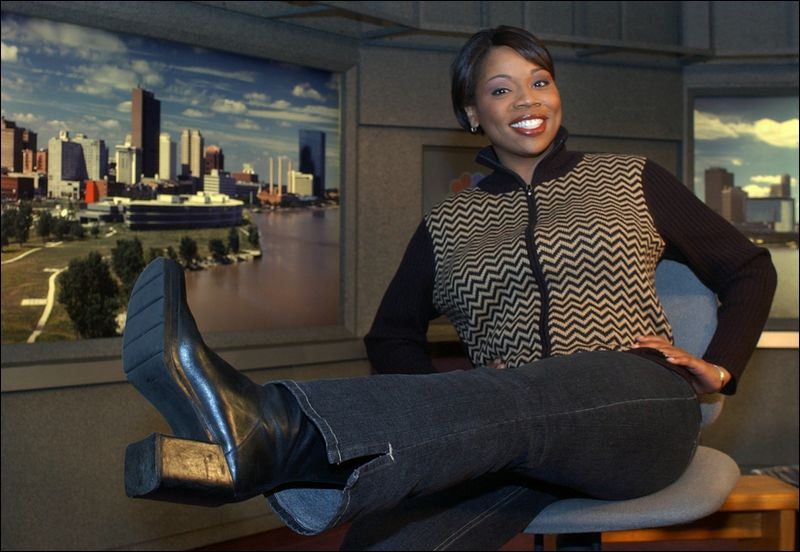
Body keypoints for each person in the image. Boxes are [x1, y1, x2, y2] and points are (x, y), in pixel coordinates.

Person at [122, 26, 776, 551]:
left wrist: (718, 368)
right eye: (501, 89)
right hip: (510, 439)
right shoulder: (448, 221)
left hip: (639, 412)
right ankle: (265, 452)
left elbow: (750, 267)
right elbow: (390, 335)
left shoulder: (632, 178)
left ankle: (282, 433)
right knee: (387, 540)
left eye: (539, 82)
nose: (527, 101)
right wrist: (456, 392)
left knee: (552, 396)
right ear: (471, 112)